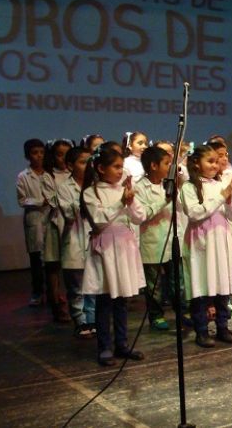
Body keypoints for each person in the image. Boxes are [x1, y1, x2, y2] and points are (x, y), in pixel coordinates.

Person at [80, 148, 147, 366]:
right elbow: (99, 220)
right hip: (106, 248)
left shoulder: (124, 189)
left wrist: (131, 200)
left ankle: (122, 343)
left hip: (124, 246)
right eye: (116, 167)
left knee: (122, 300)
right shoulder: (91, 192)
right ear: (101, 168)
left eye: (121, 167)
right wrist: (121, 202)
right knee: (105, 299)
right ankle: (104, 347)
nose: (120, 171)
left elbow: (139, 217)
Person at [180, 145, 232, 347]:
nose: (215, 165)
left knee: (222, 285)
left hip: (220, 240)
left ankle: (223, 326)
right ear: (197, 163)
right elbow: (195, 213)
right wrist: (221, 197)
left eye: (217, 161)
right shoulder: (189, 187)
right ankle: (202, 330)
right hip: (201, 242)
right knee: (200, 285)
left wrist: (229, 200)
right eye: (210, 161)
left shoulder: (220, 185)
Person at [134, 146, 175, 331]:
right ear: (153, 165)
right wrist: (165, 200)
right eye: (166, 163)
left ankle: (181, 312)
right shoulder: (139, 187)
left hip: (170, 239)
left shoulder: (169, 184)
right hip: (151, 241)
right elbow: (143, 214)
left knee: (176, 282)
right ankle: (156, 315)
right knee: (154, 285)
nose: (169, 167)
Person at [58, 146, 96, 338]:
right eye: (83, 162)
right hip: (74, 239)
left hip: (94, 240)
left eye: (90, 161)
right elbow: (69, 214)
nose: (88, 165)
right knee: (77, 287)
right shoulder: (64, 188)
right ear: (70, 166)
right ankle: (80, 321)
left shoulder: (96, 185)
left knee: (93, 285)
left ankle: (92, 320)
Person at [41, 139, 73, 322]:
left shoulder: (75, 174)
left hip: (72, 224)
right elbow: (53, 200)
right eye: (59, 154)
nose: (63, 158)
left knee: (72, 266)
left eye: (66, 154)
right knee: (53, 265)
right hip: (55, 223)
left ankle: (74, 304)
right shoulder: (49, 176)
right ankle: (57, 304)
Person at [17, 139, 50, 307]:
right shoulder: (23, 176)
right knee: (36, 259)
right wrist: (40, 202)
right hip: (34, 219)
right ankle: (37, 292)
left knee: (51, 259)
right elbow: (22, 200)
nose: (39, 156)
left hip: (50, 218)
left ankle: (52, 291)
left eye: (41, 152)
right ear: (27, 156)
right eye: (35, 153)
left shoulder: (49, 174)